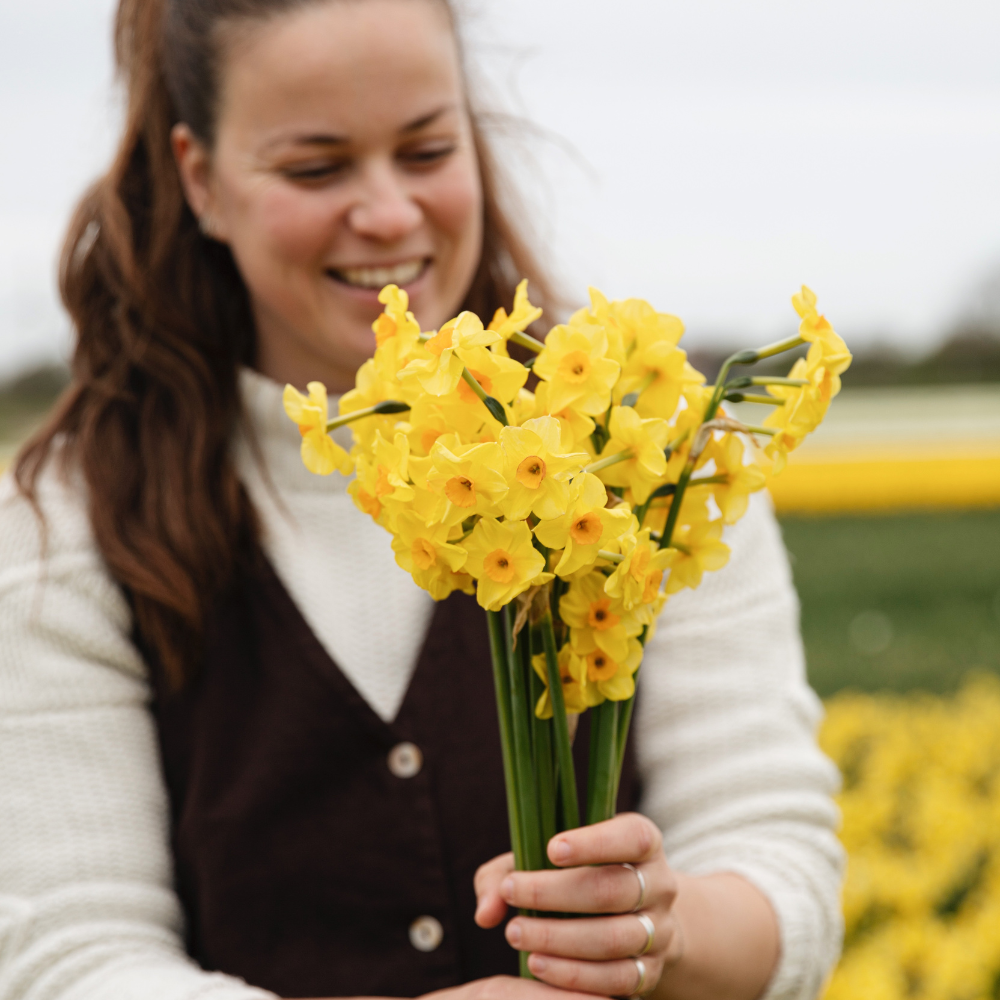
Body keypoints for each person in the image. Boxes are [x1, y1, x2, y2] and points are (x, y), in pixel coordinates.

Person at [0, 0, 844, 998]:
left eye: (428, 149)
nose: (390, 214)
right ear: (200, 179)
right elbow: (69, 959)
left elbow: (784, 873)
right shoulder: (67, 523)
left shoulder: (644, 450)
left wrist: (665, 927)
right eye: (315, 168)